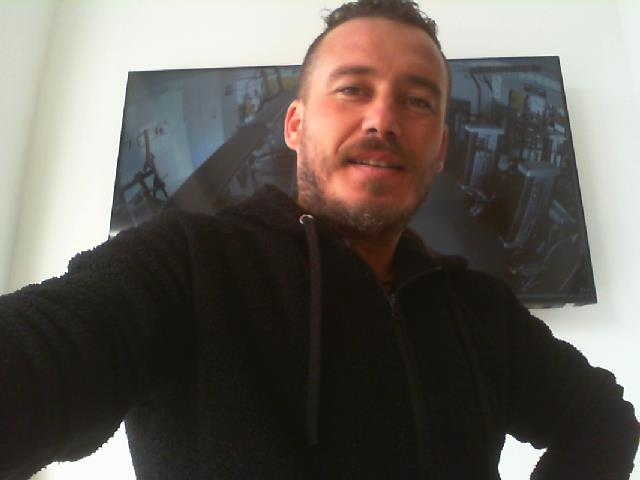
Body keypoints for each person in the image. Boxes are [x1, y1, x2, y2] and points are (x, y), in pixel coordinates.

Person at [1, 0, 638, 479]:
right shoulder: (186, 264)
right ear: (295, 125)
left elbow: (604, 420)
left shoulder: (482, 309)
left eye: (418, 101)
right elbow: (41, 353)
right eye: (352, 89)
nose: (382, 118)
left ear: (440, 149)